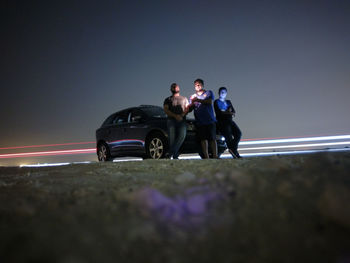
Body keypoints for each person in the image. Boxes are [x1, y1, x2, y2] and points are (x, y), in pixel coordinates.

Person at [189, 78, 218, 159]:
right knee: (203, 139)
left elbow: (209, 102)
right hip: (200, 121)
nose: (197, 86)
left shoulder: (208, 92)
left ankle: (215, 155)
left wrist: (197, 100)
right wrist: (191, 103)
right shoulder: (192, 96)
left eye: (198, 84)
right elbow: (190, 109)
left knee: (212, 138)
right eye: (195, 85)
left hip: (210, 120)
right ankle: (206, 157)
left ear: (202, 85)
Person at [214, 87, 242, 158]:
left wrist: (226, 112)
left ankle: (232, 149)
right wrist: (228, 112)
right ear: (219, 93)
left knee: (238, 133)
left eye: (224, 92)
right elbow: (219, 113)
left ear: (226, 93)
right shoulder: (216, 102)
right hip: (222, 122)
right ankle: (235, 154)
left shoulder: (228, 102)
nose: (222, 93)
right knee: (228, 137)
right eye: (221, 92)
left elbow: (234, 112)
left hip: (230, 121)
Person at [163, 83, 189, 159]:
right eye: (172, 86)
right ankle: (175, 156)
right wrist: (175, 116)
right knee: (172, 139)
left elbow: (187, 109)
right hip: (171, 121)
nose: (174, 87)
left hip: (182, 120)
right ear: (171, 89)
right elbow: (166, 110)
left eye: (176, 86)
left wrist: (181, 116)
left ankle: (170, 153)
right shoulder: (167, 99)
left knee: (182, 136)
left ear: (179, 88)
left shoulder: (184, 98)